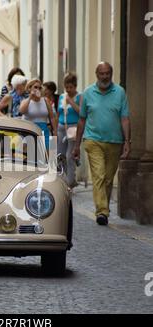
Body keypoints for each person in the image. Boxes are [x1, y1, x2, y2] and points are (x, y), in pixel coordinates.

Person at [72, 62, 131, 226]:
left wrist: (127, 141)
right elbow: (82, 120)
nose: (105, 77)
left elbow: (125, 118)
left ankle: (102, 208)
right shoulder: (88, 93)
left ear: (111, 74)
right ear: (96, 74)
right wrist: (77, 145)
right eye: (102, 74)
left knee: (107, 178)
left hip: (115, 141)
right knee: (99, 175)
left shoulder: (119, 92)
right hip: (93, 140)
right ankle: (102, 212)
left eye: (107, 73)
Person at [57, 72, 81, 189]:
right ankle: (62, 180)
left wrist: (71, 102)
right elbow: (58, 113)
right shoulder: (62, 96)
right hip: (62, 127)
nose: (68, 89)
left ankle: (70, 182)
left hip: (74, 128)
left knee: (70, 155)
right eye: (66, 87)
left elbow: (81, 112)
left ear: (75, 86)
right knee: (60, 154)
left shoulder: (79, 97)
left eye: (71, 87)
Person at [19, 79, 57, 150]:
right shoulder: (26, 101)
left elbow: (52, 117)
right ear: (30, 88)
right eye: (35, 87)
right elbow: (22, 111)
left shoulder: (45, 100)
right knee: (29, 155)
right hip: (29, 130)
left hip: (43, 130)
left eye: (40, 88)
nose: (38, 89)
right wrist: (30, 97)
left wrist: (55, 132)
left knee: (46, 154)